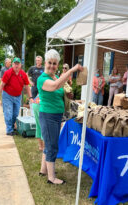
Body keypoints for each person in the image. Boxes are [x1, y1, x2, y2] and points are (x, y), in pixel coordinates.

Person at [37, 49, 83, 185]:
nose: (52, 66)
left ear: (57, 65)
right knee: (52, 146)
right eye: (50, 63)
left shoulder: (54, 77)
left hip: (56, 116)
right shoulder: (42, 79)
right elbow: (55, 86)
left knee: (49, 143)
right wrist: (71, 70)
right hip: (48, 116)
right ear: (45, 63)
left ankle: (43, 170)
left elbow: (60, 88)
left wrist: (67, 94)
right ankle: (51, 178)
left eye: (55, 63)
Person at [0, 57, 33, 135]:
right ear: (12, 64)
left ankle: (12, 126)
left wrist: (30, 97)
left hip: (18, 96)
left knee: (15, 114)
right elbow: (1, 85)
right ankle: (9, 130)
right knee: (8, 112)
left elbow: (27, 86)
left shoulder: (23, 74)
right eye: (15, 64)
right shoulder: (8, 73)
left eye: (18, 64)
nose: (16, 66)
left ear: (20, 65)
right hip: (7, 96)